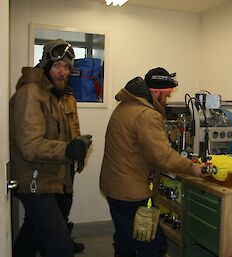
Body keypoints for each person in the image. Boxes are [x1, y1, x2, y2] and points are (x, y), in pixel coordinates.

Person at [100, 67, 204, 257]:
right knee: (153, 245)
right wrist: (193, 168)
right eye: (167, 95)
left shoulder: (125, 106)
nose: (168, 99)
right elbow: (162, 155)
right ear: (156, 92)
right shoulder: (147, 114)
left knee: (125, 240)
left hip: (114, 186)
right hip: (131, 191)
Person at [10, 39, 92, 257]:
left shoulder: (59, 94)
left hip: (56, 175)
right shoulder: (30, 94)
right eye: (57, 65)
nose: (62, 72)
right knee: (60, 248)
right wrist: (68, 150)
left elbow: (64, 131)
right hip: (36, 180)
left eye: (66, 67)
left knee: (32, 235)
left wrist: (78, 148)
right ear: (45, 65)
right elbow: (29, 145)